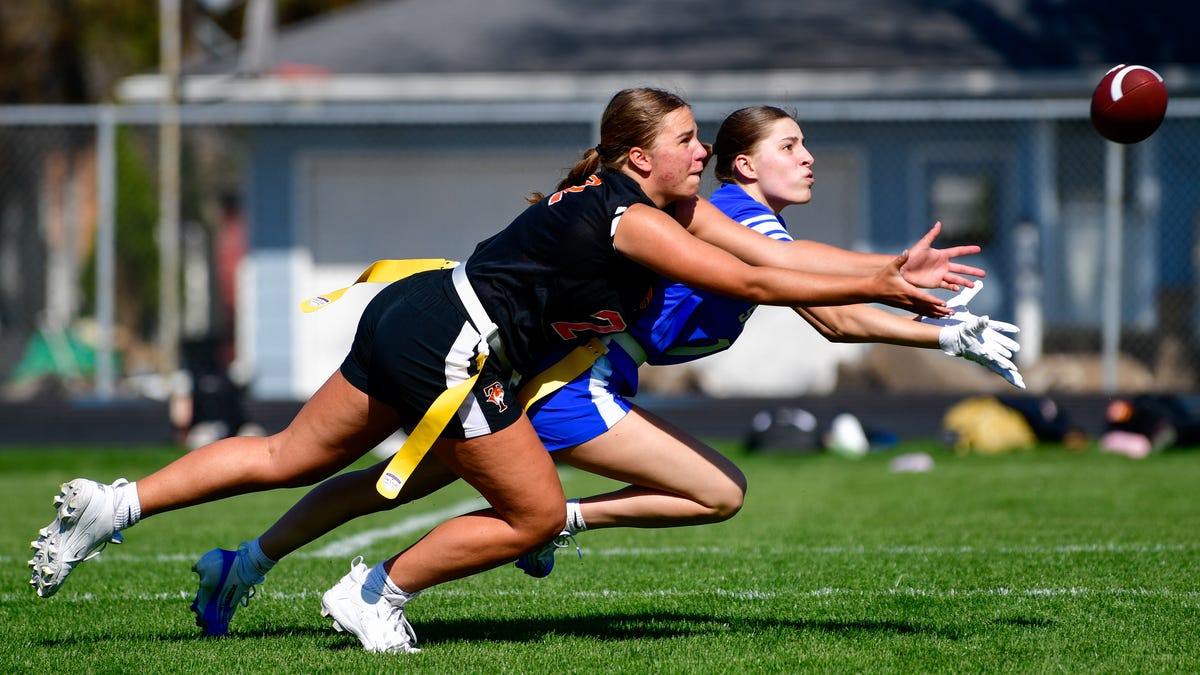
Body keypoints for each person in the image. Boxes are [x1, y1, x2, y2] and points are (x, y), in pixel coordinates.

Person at [179, 105, 1021, 644]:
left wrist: (936, 322)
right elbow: (801, 291)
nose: (808, 160)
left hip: (555, 370)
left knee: (385, 483)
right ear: (742, 166)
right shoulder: (718, 213)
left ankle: (244, 561)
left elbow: (815, 292)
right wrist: (908, 295)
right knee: (707, 492)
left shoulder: (732, 214)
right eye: (790, 146)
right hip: (571, 377)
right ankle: (383, 585)